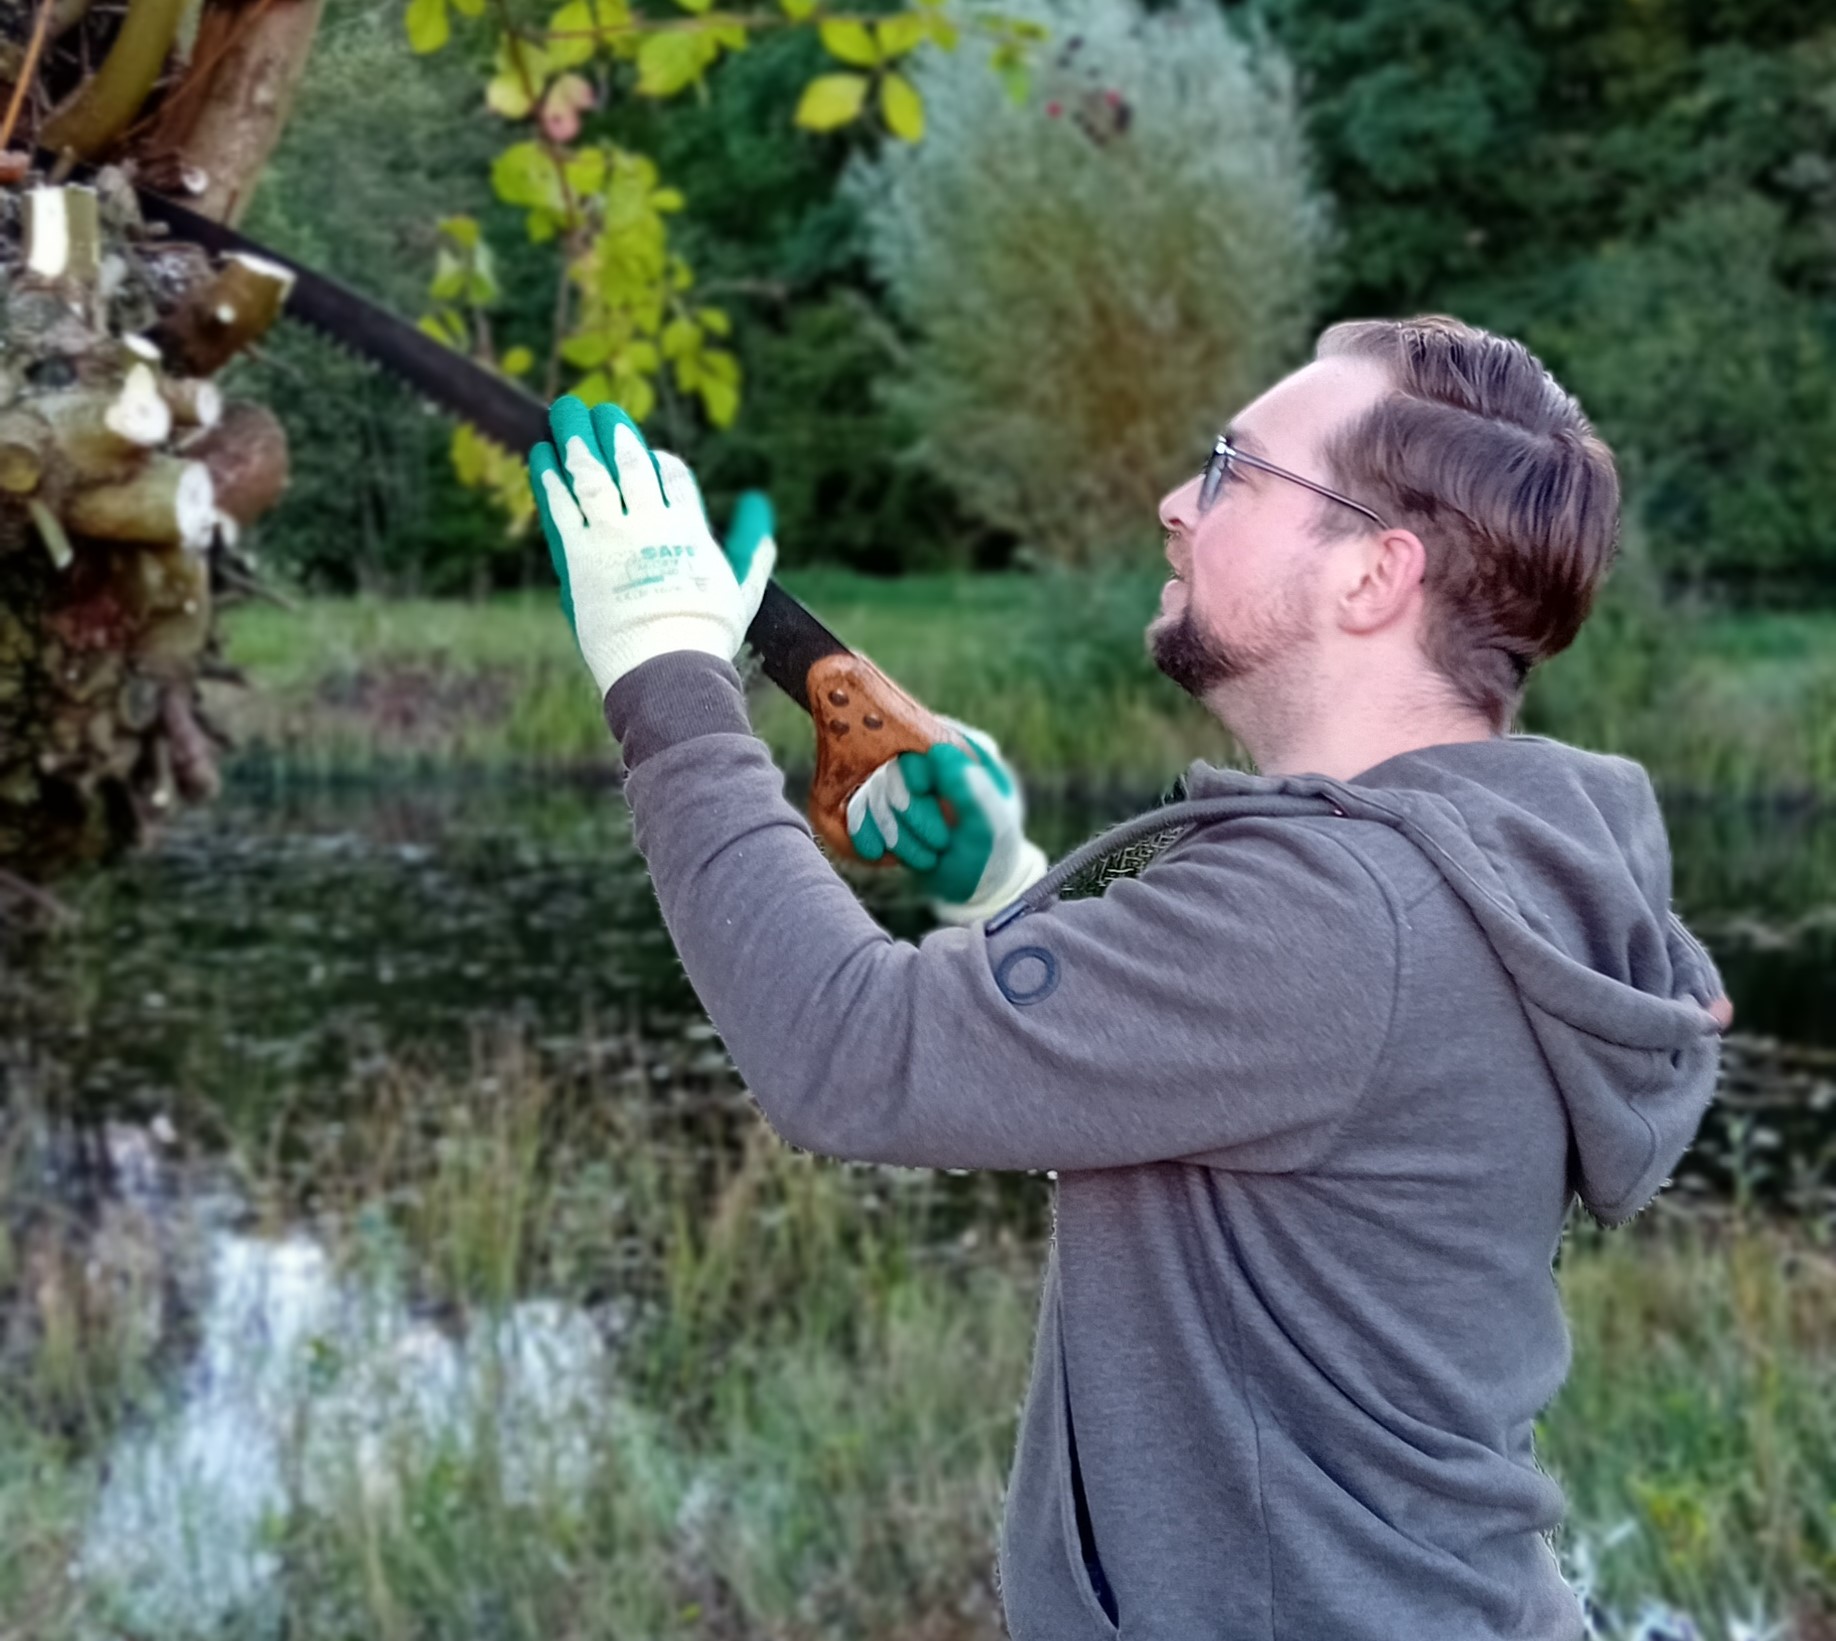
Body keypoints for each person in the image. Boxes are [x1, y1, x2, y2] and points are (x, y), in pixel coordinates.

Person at [527, 314, 1730, 1641]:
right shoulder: (1452, 877)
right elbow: (1229, 1131)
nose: (1175, 501)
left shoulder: (1341, 909)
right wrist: (1005, 888)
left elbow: (845, 1053)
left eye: (1233, 469)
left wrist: (666, 676)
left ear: (1375, 576)